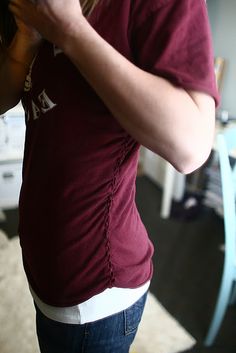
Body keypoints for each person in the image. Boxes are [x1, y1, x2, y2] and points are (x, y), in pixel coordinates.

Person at [0, 0, 219, 352]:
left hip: (96, 291)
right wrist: (26, 38)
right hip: (47, 271)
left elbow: (191, 146)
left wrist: (70, 31)